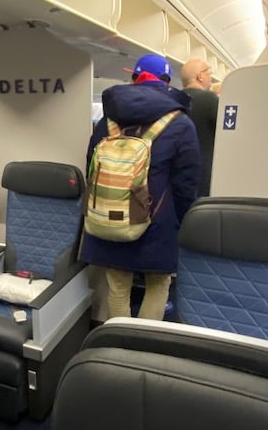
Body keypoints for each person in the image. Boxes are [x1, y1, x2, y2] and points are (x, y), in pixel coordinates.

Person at [80, 54, 200, 321]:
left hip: (110, 214)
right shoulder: (180, 123)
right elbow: (186, 182)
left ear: (134, 78)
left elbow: (91, 163)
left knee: (118, 286)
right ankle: (143, 340)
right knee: (158, 285)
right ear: (167, 82)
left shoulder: (108, 119)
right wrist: (182, 220)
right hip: (158, 218)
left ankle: (119, 338)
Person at [180, 57, 220, 198]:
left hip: (179, 171)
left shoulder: (174, 98)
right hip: (203, 173)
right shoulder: (209, 99)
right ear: (200, 76)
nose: (211, 77)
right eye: (209, 73)